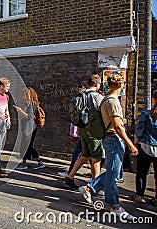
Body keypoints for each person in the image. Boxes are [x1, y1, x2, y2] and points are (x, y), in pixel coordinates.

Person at [77, 73, 138, 220]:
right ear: (120, 85)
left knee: (113, 173)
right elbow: (117, 126)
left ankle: (90, 188)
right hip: (114, 139)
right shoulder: (112, 102)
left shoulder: (105, 99)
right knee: (113, 176)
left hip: (110, 139)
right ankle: (114, 206)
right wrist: (130, 144)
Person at [64, 75, 105, 189]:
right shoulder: (97, 97)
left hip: (82, 129)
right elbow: (102, 112)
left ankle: (70, 177)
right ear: (96, 84)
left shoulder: (80, 95)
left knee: (85, 155)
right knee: (97, 157)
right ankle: (95, 185)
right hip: (94, 130)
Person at [132, 90, 157, 205]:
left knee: (142, 172)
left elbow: (139, 131)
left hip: (146, 146)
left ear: (153, 99)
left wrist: (134, 144)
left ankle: (140, 195)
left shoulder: (147, 114)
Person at [15, 87, 45, 170]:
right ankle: (28, 162)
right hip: (28, 127)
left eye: (24, 95)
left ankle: (25, 162)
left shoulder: (32, 104)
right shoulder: (28, 104)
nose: (23, 96)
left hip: (30, 128)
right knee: (27, 145)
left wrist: (20, 111)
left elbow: (30, 116)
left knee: (26, 145)